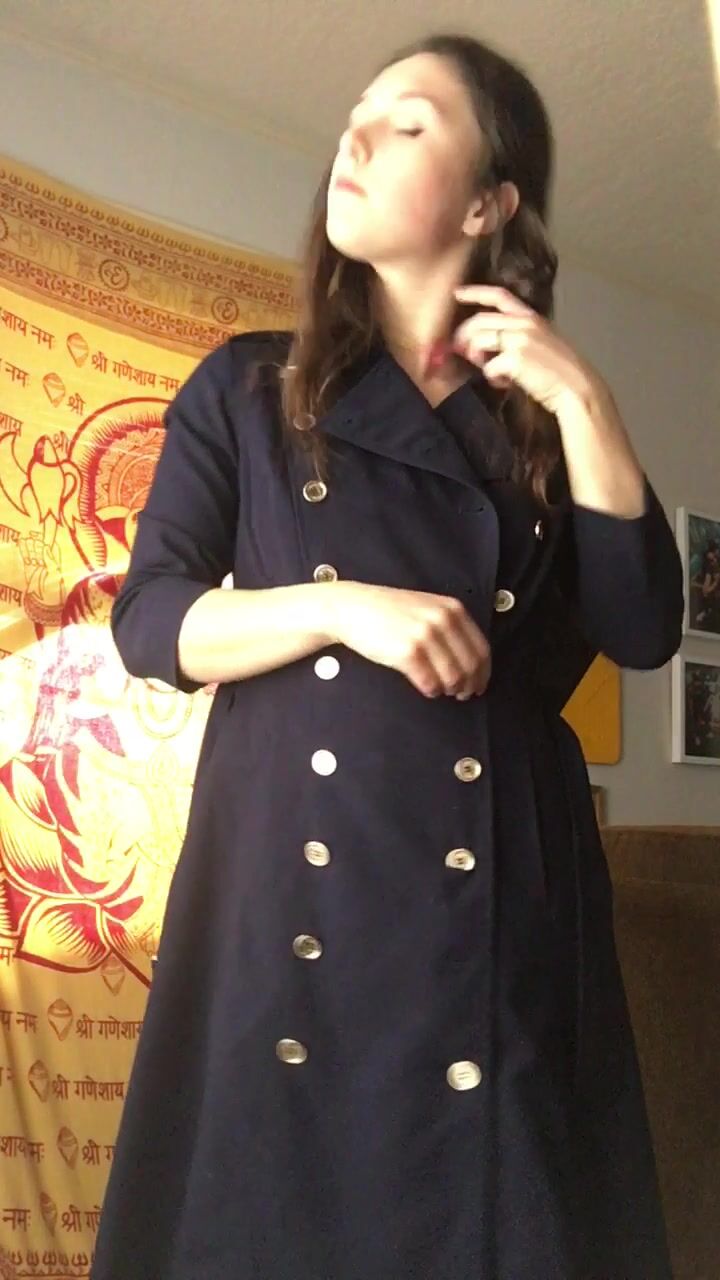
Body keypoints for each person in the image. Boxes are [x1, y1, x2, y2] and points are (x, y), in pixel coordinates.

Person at [91, 32, 684, 1280]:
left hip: (502, 903)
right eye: (355, 115)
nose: (353, 137)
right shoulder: (251, 388)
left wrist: (586, 402)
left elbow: (641, 629)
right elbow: (152, 622)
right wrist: (340, 608)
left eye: (408, 121)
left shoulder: (544, 429)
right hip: (296, 900)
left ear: (487, 205)